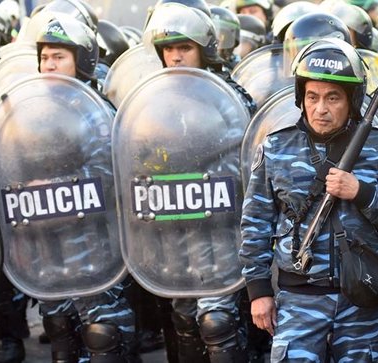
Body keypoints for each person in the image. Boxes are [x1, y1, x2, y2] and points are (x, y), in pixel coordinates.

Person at [239, 37, 378, 362]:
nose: (320, 108)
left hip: (362, 297)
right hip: (299, 298)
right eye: (312, 96)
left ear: (351, 100)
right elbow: (255, 223)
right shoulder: (277, 148)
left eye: (332, 97)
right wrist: (259, 291)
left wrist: (361, 192)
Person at [144, 4, 256, 362]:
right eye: (168, 49)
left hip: (220, 227)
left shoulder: (229, 97)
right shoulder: (151, 101)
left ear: (205, 50)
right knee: (186, 318)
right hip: (175, 226)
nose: (175, 57)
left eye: (184, 47)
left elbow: (248, 161)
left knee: (216, 320)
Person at [35, 16, 138, 362]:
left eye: (58, 57)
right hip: (48, 250)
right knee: (59, 329)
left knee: (103, 335)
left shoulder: (96, 113)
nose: (48, 65)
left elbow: (104, 176)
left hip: (95, 248)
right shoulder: (31, 114)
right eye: (45, 57)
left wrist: (49, 187)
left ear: (82, 60)